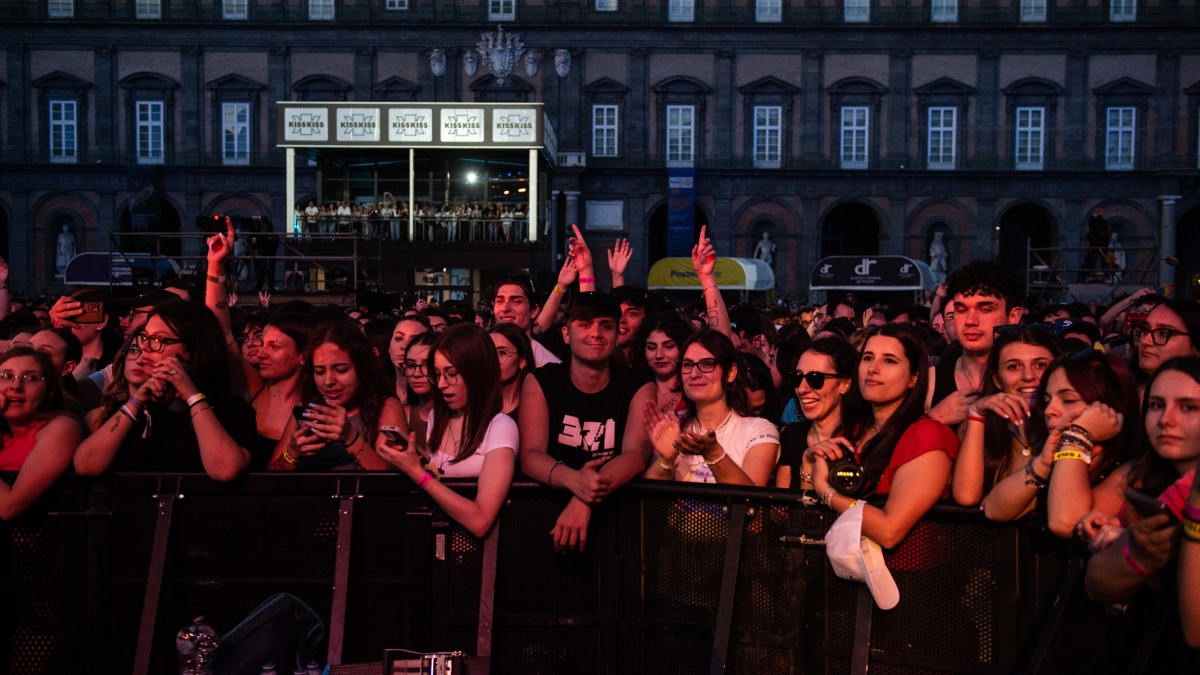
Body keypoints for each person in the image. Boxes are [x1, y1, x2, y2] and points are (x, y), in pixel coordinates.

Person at [519, 292, 655, 552]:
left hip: (614, 526)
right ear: (566, 334)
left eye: (605, 325)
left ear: (616, 335)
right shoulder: (541, 381)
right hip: (547, 518)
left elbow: (636, 455)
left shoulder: (638, 385)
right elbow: (530, 455)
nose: (596, 333)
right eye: (584, 324)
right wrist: (574, 480)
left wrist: (583, 498)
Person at [808, 324, 959, 549]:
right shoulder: (853, 433)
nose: (873, 368)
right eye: (867, 358)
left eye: (889, 360)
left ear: (914, 378)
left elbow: (890, 532)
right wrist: (809, 462)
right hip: (844, 572)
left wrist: (828, 493)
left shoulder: (928, 435)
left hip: (903, 578)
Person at [73, 300, 258, 480]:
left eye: (157, 339)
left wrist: (192, 397)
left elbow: (225, 470)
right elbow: (86, 466)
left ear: (192, 349)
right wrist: (135, 401)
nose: (144, 347)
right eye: (145, 337)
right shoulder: (133, 408)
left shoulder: (230, 410)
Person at [378, 324, 517, 537]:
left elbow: (481, 521)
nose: (441, 384)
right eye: (437, 374)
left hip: (477, 551)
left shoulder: (501, 427)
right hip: (436, 539)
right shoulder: (438, 417)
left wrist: (419, 475)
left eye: (451, 374)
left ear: (477, 373)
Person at [642, 330, 779, 486]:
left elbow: (750, 500)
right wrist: (666, 461)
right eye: (687, 365)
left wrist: (715, 455)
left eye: (707, 364)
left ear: (730, 372)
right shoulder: (671, 426)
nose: (694, 374)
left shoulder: (759, 430)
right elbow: (647, 503)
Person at [953, 327, 1059, 511]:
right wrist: (976, 414)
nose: (1028, 376)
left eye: (1040, 365)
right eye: (1013, 367)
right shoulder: (979, 428)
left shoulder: (1068, 427)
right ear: (997, 379)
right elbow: (966, 497)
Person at [271, 321, 401, 470]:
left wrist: (350, 437)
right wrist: (292, 453)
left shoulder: (385, 406)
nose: (328, 381)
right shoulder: (308, 407)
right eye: (319, 371)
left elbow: (387, 482)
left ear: (361, 368)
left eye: (341, 370)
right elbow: (269, 483)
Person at [927, 260, 1024, 428]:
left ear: (1013, 316)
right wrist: (933, 418)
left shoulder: (1032, 380)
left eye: (985, 309)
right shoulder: (929, 382)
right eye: (961, 310)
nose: (970, 321)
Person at [0, 347, 85, 519]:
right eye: (6, 376)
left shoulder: (62, 427)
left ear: (49, 390)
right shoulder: (3, 432)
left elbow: (8, 507)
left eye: (31, 378)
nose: (16, 386)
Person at [774, 338, 858, 489]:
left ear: (845, 384)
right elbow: (780, 510)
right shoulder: (792, 437)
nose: (802, 389)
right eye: (797, 377)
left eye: (815, 379)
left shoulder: (862, 441)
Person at [628, 312, 694, 419]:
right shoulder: (633, 389)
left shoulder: (695, 388)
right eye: (651, 347)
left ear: (683, 346)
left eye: (669, 346)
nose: (659, 355)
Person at [400, 332, 438, 455]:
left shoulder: (461, 419)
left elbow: (433, 475)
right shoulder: (402, 416)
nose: (416, 373)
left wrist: (420, 474)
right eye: (410, 365)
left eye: (426, 365)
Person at [488, 322, 533, 418]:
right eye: (489, 352)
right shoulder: (476, 407)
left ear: (522, 360)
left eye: (502, 353)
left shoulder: (535, 409)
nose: (493, 359)